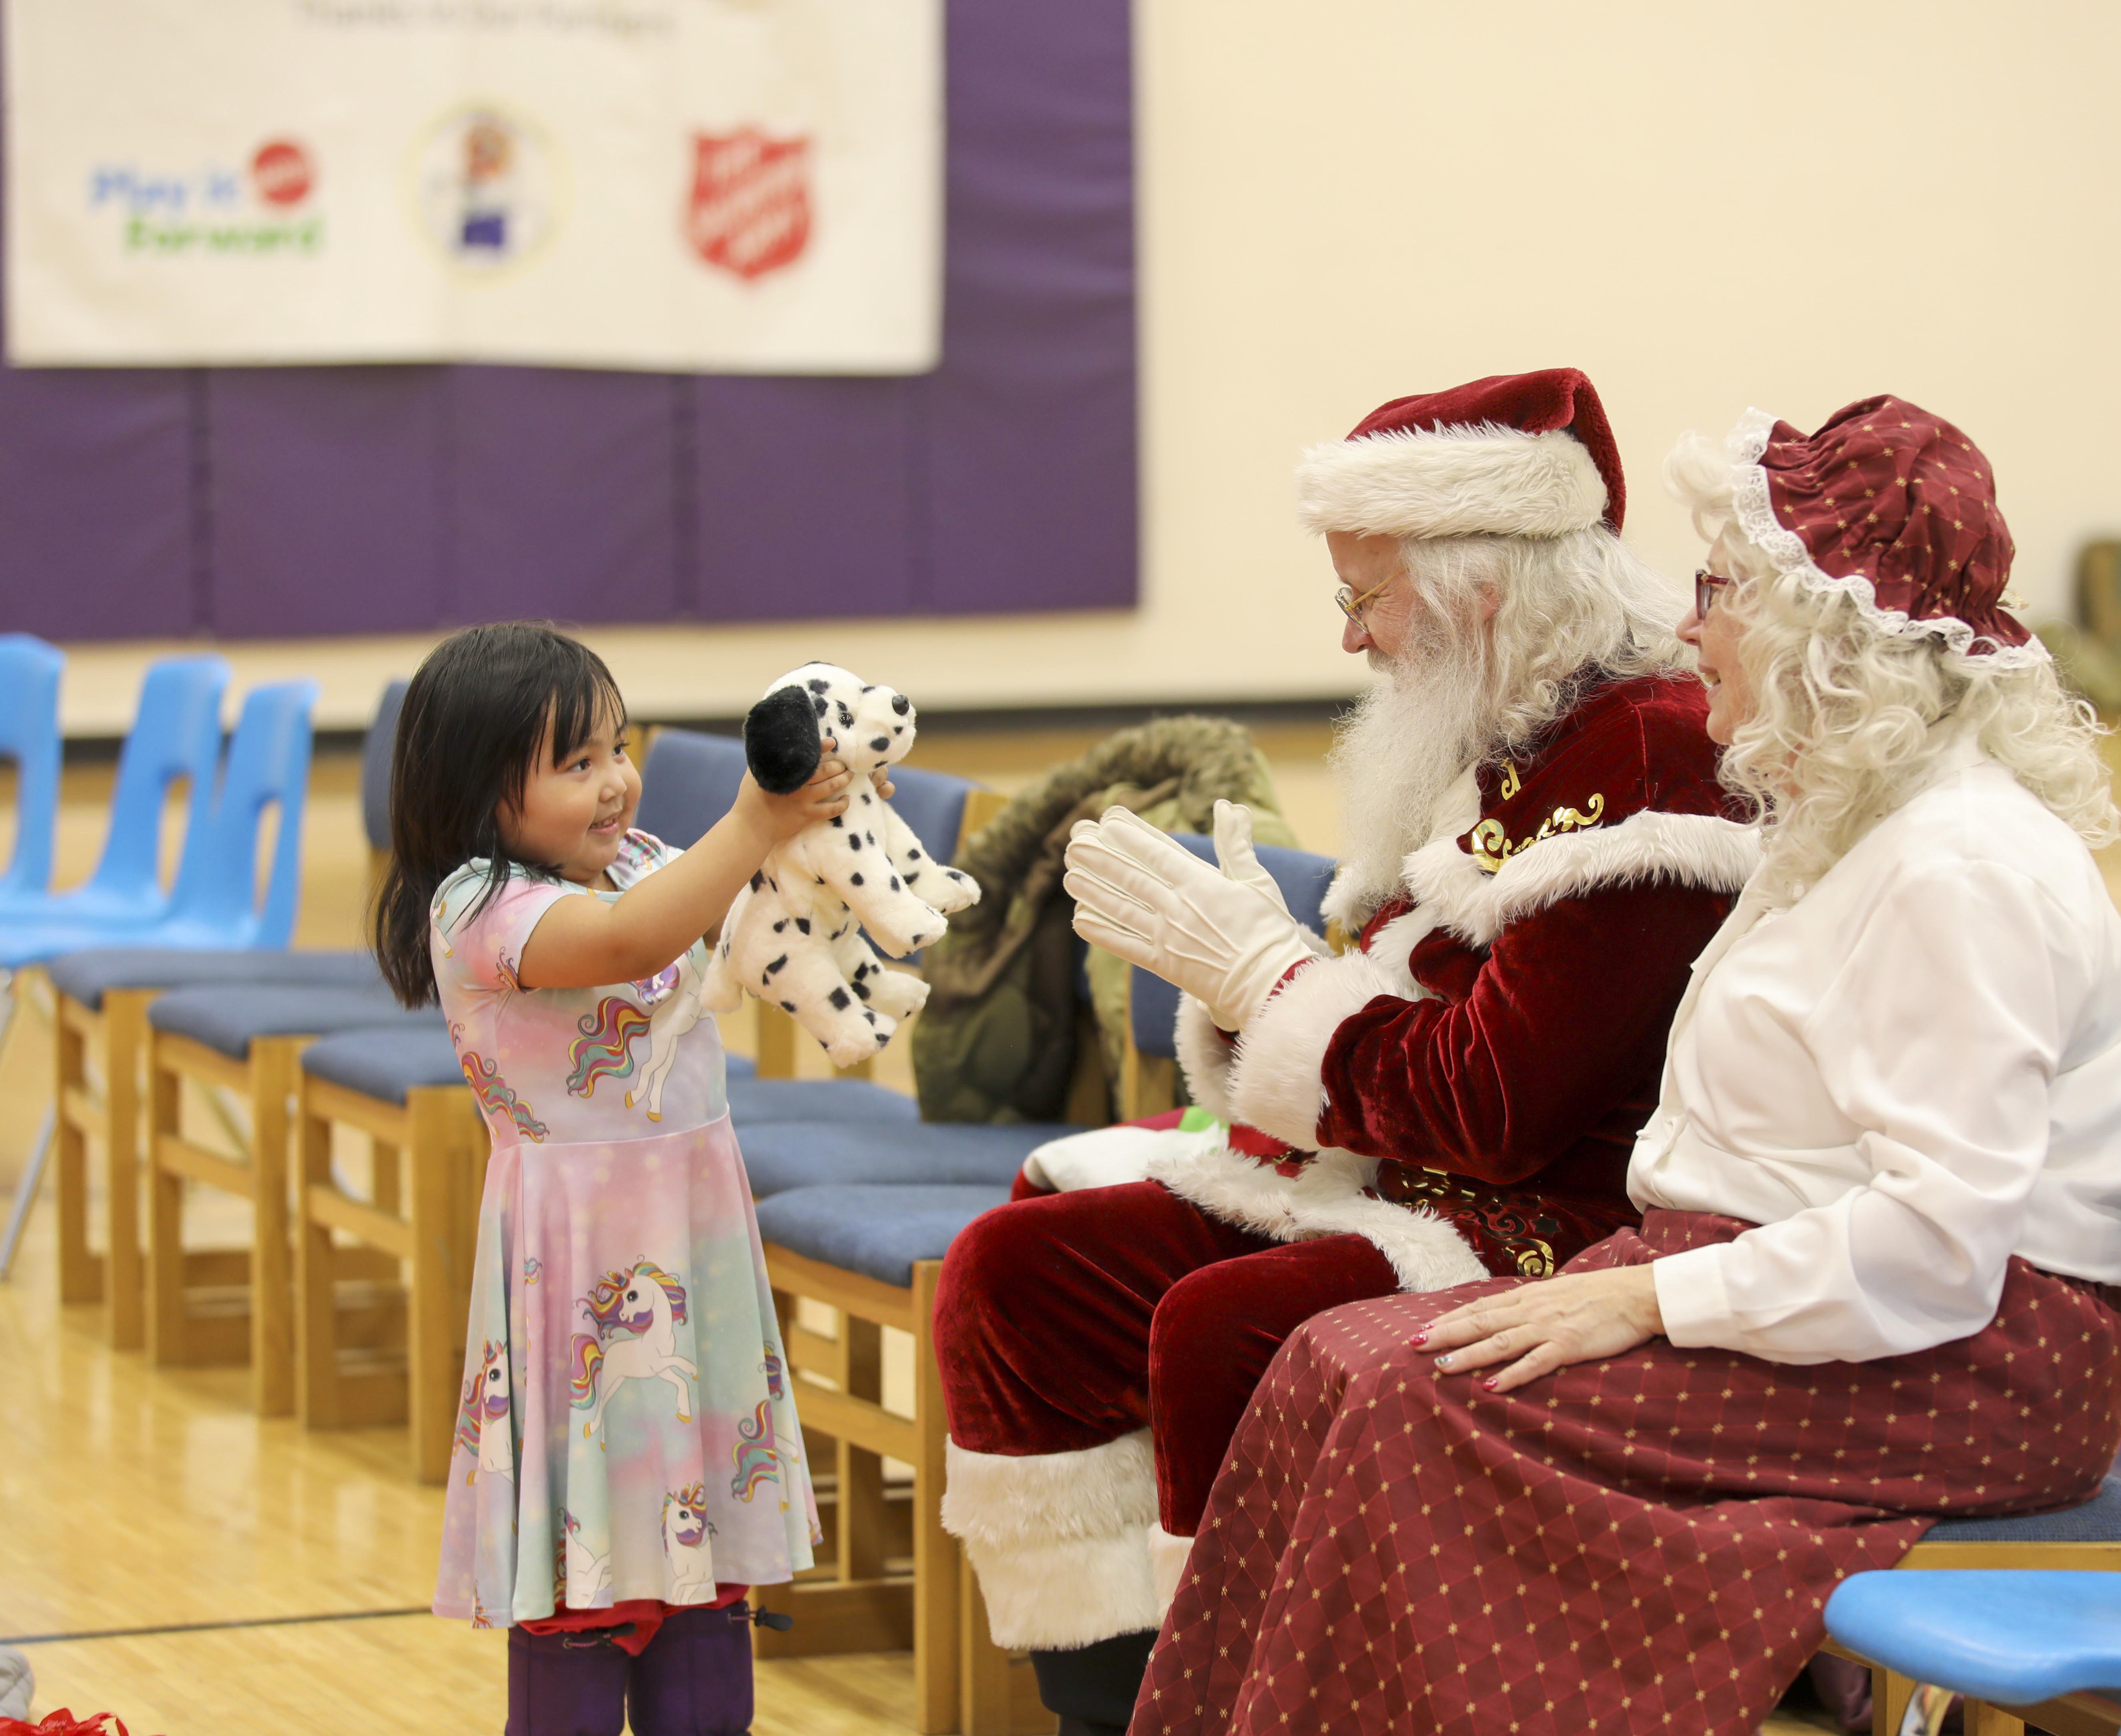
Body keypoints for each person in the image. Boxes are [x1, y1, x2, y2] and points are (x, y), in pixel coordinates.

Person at [1126, 396, 2121, 1736]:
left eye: (1721, 590)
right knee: (1331, 1362)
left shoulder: (1960, 865)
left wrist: (1650, 1299)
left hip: (1975, 1361)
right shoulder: (1858, 819)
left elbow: (1937, 1250)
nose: (1687, 624)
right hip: (1826, 1292)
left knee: (1415, 1406)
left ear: (1822, 632)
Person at [932, 369, 1760, 1734]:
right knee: (1020, 1276)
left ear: (1473, 587)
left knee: (1220, 1327)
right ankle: (1111, 1706)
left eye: (1363, 598)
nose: (1355, 640)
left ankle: (1236, 1702)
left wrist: (1264, 979)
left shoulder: (1652, 760)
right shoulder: (1505, 722)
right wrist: (1255, 975)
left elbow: (1499, 1107)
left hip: (1560, 1226)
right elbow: (1391, 1001)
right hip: (1394, 1179)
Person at [373, 621, 846, 1736]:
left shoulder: (635, 859)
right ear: (479, 792)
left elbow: (722, 917)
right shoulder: (480, 907)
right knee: (584, 1585)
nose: (615, 781)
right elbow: (633, 942)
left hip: (694, 1240)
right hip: (581, 1265)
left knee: (706, 1581)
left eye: (617, 747)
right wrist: (749, 819)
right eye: (575, 764)